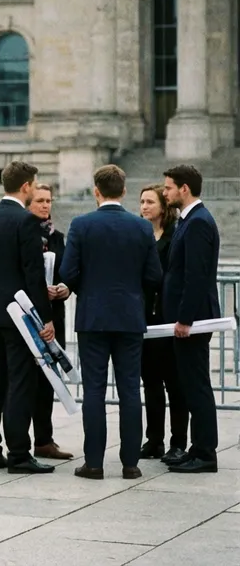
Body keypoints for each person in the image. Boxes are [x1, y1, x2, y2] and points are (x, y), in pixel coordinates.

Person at [59, 165, 162, 480]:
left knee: (94, 390)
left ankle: (94, 463)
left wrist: (85, 287)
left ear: (96, 191)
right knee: (131, 389)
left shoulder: (81, 225)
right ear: (124, 191)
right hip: (130, 316)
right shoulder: (142, 228)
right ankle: (130, 463)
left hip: (93, 316)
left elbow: (68, 273)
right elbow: (154, 276)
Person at [0, 160, 55, 475]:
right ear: (26, 186)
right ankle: (19, 453)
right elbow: (33, 275)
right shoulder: (26, 221)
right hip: (18, 317)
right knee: (20, 383)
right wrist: (45, 318)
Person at [161, 164, 221, 474]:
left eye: (169, 187)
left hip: (193, 320)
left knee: (196, 386)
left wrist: (184, 319)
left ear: (184, 189)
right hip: (189, 318)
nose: (165, 192)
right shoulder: (190, 220)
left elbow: (195, 276)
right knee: (190, 383)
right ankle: (197, 448)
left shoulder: (197, 222)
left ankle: (205, 453)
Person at [137, 183, 187, 464]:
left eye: (150, 202)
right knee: (150, 382)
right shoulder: (140, 234)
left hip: (169, 318)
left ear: (163, 207)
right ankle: (153, 439)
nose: (144, 207)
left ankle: (178, 442)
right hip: (145, 318)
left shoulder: (174, 235)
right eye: (142, 202)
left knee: (175, 383)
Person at [26, 184, 73, 461]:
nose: (45, 205)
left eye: (49, 201)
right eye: (40, 201)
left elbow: (67, 270)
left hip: (54, 317)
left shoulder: (58, 238)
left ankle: (44, 439)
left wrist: (65, 287)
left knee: (49, 380)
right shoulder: (23, 234)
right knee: (27, 381)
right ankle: (21, 440)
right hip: (28, 318)